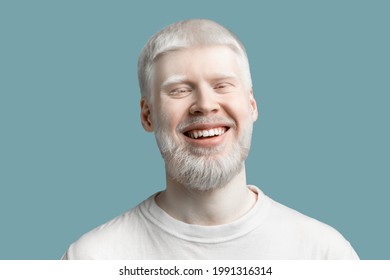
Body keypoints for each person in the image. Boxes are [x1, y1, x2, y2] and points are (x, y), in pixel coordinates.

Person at [62, 19, 359, 259]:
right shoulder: (93, 259)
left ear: (252, 105)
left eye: (222, 85)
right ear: (147, 115)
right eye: (179, 90)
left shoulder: (323, 254)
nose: (205, 104)